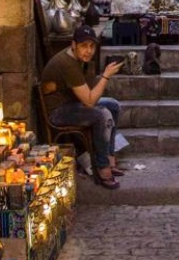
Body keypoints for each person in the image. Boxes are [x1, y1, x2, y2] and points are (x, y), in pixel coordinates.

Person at [41, 26, 125, 189]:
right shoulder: (67, 64)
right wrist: (106, 76)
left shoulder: (80, 60)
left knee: (113, 105)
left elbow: (89, 92)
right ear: (74, 45)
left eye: (92, 46)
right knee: (102, 115)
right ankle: (102, 168)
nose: (88, 51)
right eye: (84, 46)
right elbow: (89, 100)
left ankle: (109, 158)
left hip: (72, 102)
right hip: (58, 112)